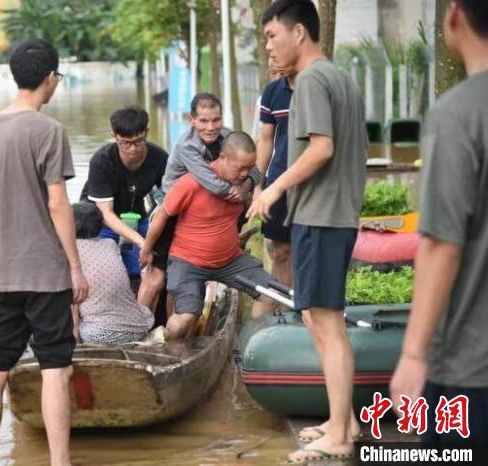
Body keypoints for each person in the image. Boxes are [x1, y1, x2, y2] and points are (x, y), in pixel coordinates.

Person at [250, 0, 367, 461]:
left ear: (299, 32)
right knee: (317, 319)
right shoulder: (338, 76)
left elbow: (321, 149)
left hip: (321, 215)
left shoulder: (315, 79)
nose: (268, 47)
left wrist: (272, 188)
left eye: (272, 36)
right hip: (330, 214)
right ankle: (343, 421)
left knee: (327, 325)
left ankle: (341, 436)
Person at [0, 38, 89, 466]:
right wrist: (75, 267)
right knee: (55, 368)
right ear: (50, 78)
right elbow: (58, 204)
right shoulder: (48, 130)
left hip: (3, 273)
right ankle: (60, 463)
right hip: (45, 274)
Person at [390, 0, 488, 447]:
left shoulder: (458, 115)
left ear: (454, 16)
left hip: (472, 368)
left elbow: (441, 245)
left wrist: (413, 352)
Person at [141, 132, 272, 339]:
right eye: (240, 169)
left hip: (230, 261)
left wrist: (248, 190)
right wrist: (147, 249)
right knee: (185, 318)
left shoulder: (243, 186)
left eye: (249, 169)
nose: (245, 174)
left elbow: (240, 216)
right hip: (188, 262)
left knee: (270, 295)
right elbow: (160, 217)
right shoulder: (190, 183)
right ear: (222, 158)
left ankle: (252, 342)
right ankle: (168, 347)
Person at [152, 94, 259, 279]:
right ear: (191, 120)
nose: (210, 128)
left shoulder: (228, 136)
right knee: (158, 275)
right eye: (203, 121)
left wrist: (245, 186)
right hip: (176, 201)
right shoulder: (187, 146)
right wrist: (239, 189)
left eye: (216, 120)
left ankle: (235, 242)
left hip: (210, 200)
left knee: (248, 198)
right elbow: (215, 185)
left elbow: (255, 171)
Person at [80, 107, 167, 310]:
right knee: (107, 269)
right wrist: (142, 243)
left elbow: (169, 199)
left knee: (146, 265)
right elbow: (106, 214)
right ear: (114, 137)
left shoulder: (159, 158)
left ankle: (142, 314)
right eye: (125, 143)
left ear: (147, 132)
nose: (133, 149)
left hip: (137, 214)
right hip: (100, 218)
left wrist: (148, 244)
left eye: (138, 141)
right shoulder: (102, 161)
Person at [71, 202, 154, 345]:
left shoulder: (70, 253)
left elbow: (73, 301)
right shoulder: (110, 243)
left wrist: (75, 335)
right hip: (139, 327)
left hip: (98, 334)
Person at [253, 61, 295, 314]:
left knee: (307, 249)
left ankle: (303, 311)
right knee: (279, 251)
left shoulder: (317, 88)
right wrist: (258, 185)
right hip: (278, 180)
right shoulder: (272, 92)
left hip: (314, 185)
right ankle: (280, 311)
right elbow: (266, 139)